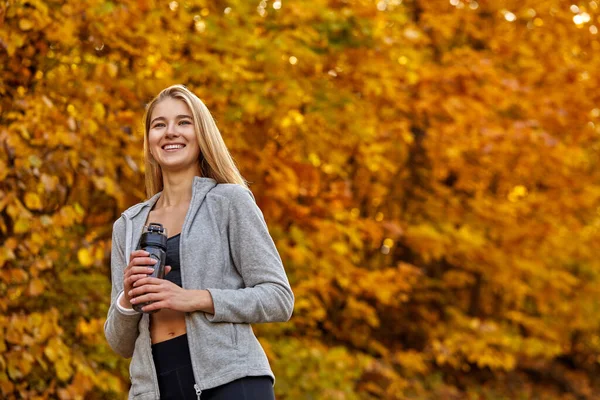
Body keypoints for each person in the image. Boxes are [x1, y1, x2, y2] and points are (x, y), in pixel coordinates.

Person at [104, 84, 294, 400]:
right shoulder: (127, 225)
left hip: (233, 380)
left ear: (200, 133)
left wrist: (196, 299)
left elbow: (279, 299)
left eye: (184, 122)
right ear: (149, 141)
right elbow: (119, 343)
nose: (170, 132)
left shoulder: (229, 202)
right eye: (159, 125)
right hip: (154, 390)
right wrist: (126, 297)